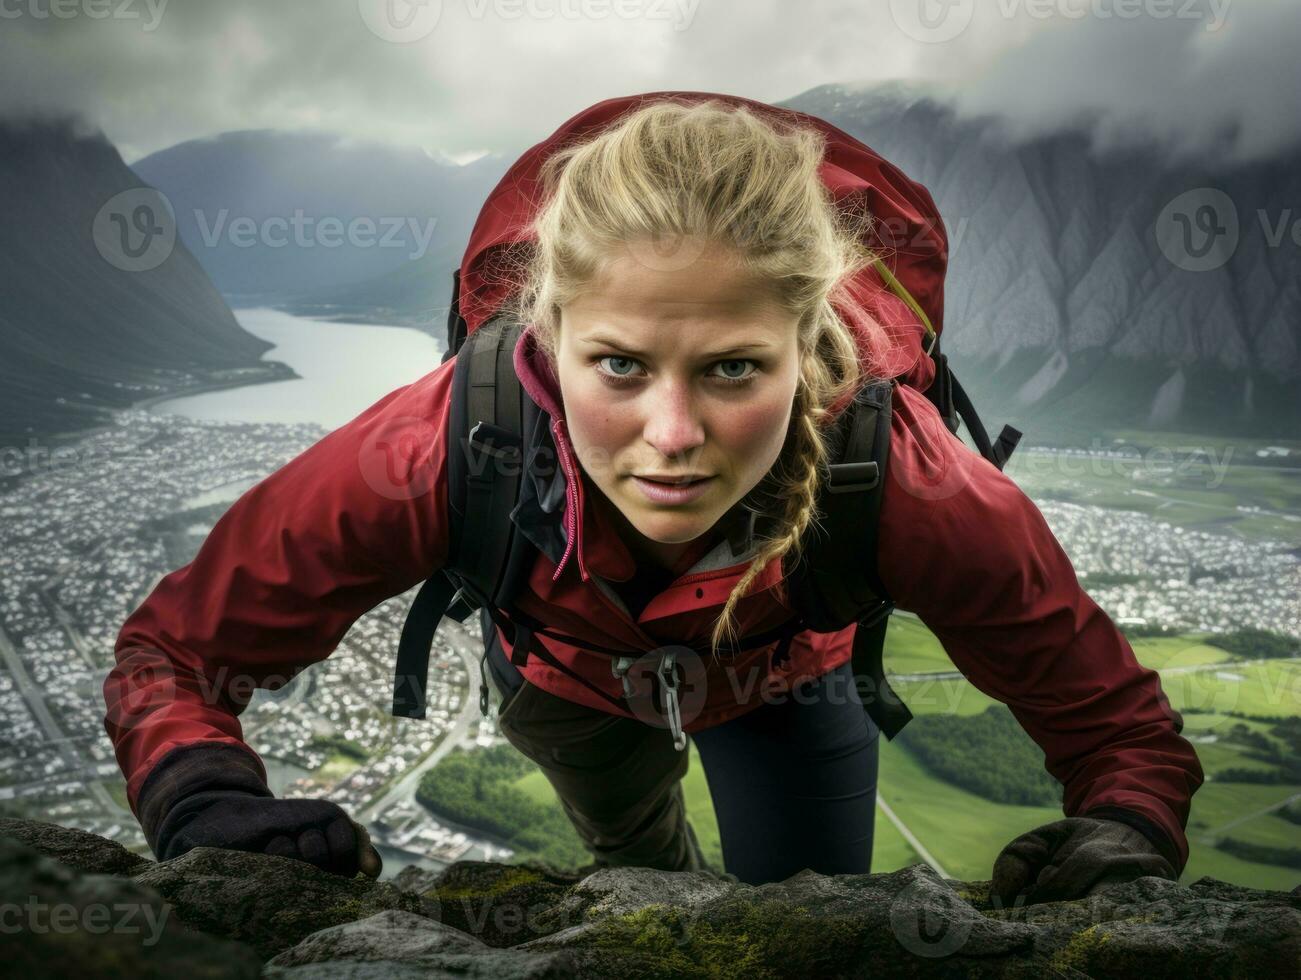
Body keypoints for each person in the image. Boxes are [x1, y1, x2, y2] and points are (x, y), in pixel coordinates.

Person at [103, 94, 1203, 902]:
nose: (670, 438)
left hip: (772, 684)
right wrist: (201, 794)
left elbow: (1121, 736)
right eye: (619, 366)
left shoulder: (903, 474)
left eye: (732, 368)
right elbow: (177, 654)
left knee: (804, 916)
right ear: (548, 336)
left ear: (807, 349)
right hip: (574, 691)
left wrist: (1124, 824)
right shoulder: (440, 444)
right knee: (644, 890)